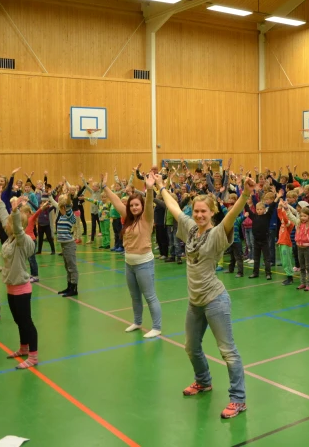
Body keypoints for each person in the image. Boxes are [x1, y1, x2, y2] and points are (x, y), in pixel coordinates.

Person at [157, 173, 256, 419]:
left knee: (228, 351)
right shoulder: (191, 229)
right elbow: (173, 206)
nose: (199, 215)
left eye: (204, 212)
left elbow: (231, 217)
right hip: (195, 302)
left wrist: (244, 194)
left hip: (215, 301)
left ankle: (238, 399)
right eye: (197, 211)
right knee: (191, 347)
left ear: (212, 213)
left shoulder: (216, 235)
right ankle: (203, 381)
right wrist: (159, 186)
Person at [102, 172, 161, 338]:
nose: (135, 207)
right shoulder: (127, 217)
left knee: (150, 296)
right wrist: (105, 187)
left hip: (144, 263)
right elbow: (115, 200)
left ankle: (156, 327)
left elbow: (149, 204)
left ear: (141, 206)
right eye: (132, 205)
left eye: (137, 205)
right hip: (129, 264)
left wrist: (149, 190)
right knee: (135, 296)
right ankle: (137, 322)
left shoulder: (146, 218)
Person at [0, 195, 39, 369]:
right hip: (11, 287)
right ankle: (23, 348)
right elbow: (2, 217)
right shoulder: (10, 239)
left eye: (10, 222)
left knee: (26, 321)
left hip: (22, 288)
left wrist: (15, 211)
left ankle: (33, 357)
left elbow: (17, 227)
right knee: (18, 320)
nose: (6, 224)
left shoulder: (23, 241)